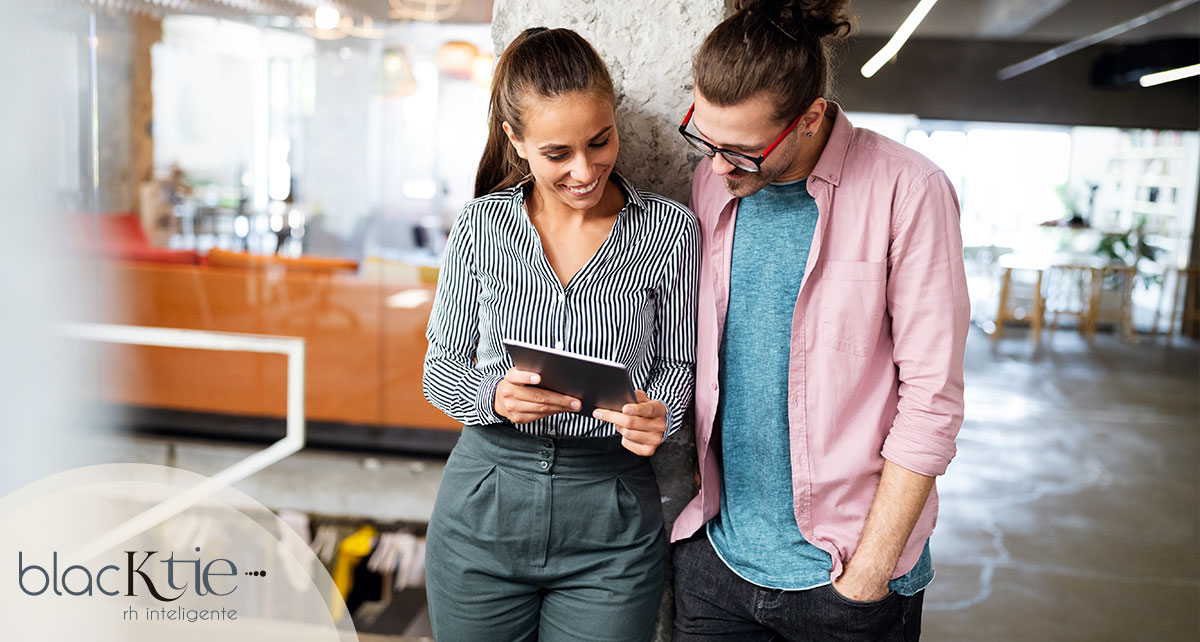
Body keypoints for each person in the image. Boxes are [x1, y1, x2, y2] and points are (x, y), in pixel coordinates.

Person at [670, 1, 970, 640]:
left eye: (743, 151)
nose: (720, 166)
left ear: (809, 120)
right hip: (718, 565)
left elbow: (932, 401)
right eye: (706, 137)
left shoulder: (909, 190)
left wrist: (869, 573)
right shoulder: (711, 183)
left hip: (848, 578)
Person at [421, 27, 700, 642]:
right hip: (484, 507)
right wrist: (492, 395)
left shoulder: (668, 227)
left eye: (600, 142)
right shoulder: (481, 224)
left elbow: (679, 372)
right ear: (516, 142)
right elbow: (439, 371)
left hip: (612, 519)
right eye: (557, 154)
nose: (584, 170)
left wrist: (660, 416)